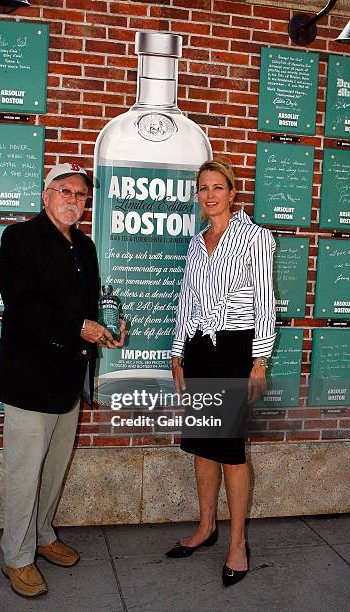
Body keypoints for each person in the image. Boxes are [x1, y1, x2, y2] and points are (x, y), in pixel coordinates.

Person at [0, 162, 125, 598]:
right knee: (24, 473)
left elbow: (85, 309)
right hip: (30, 380)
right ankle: (17, 557)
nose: (73, 200)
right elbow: (22, 304)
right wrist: (78, 327)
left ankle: (44, 535)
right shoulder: (20, 238)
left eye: (81, 195)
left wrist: (102, 331)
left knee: (53, 470)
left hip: (69, 378)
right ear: (46, 195)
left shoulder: (84, 246)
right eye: (65, 191)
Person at [165, 160, 276, 587]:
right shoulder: (197, 243)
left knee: (230, 450)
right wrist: (178, 354)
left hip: (235, 351)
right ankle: (207, 526)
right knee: (203, 446)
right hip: (198, 351)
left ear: (232, 193)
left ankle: (238, 542)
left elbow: (266, 303)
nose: (209, 195)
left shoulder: (256, 238)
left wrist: (259, 361)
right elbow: (186, 301)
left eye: (218, 187)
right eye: (203, 188)